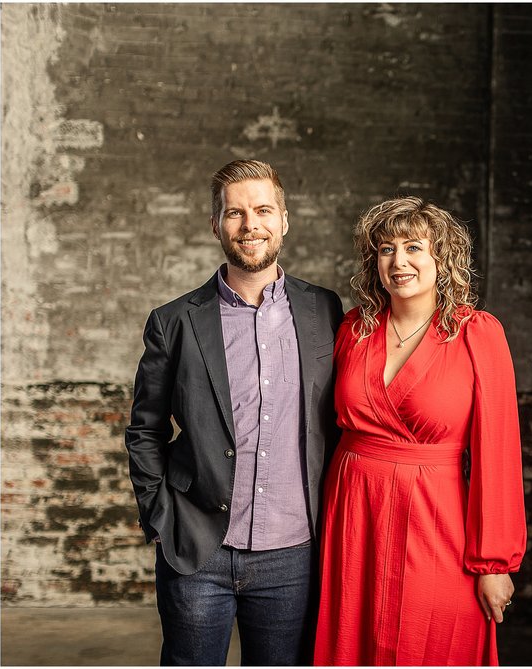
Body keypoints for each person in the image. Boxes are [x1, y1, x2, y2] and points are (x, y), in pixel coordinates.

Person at [124, 159, 344, 665]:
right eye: (235, 213)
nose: (251, 226)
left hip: (294, 552)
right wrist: (160, 516)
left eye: (263, 210)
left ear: (284, 219)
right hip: (197, 548)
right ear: (215, 224)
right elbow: (145, 428)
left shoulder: (324, 311)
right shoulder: (174, 321)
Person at [313, 197, 527, 665]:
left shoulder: (476, 334)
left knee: (431, 642)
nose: (399, 261)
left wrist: (495, 564)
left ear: (441, 258)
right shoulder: (353, 329)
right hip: (352, 514)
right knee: (353, 642)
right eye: (386, 249)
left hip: (437, 519)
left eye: (414, 247)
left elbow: (499, 452)